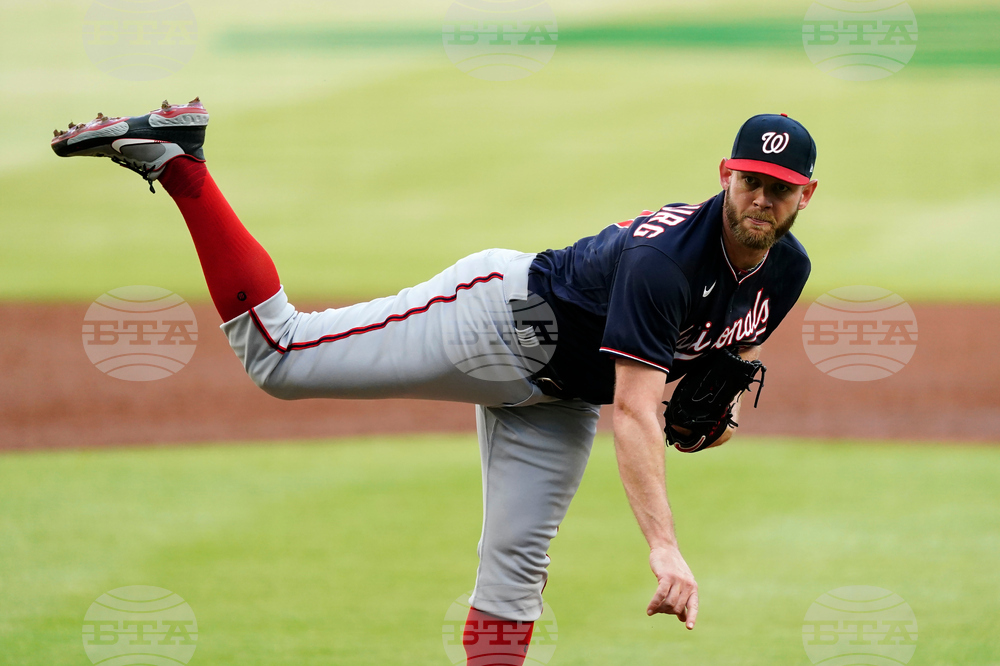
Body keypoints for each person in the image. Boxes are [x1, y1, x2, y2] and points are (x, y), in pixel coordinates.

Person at [53, 103, 818, 664]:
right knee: (279, 357)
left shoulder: (787, 271)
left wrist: (706, 416)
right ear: (726, 175)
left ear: (803, 196)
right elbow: (636, 410)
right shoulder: (666, 263)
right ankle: (179, 162)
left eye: (779, 189)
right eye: (751, 180)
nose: (761, 199)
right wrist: (665, 548)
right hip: (495, 320)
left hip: (557, 399)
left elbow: (694, 368)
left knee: (514, 576)